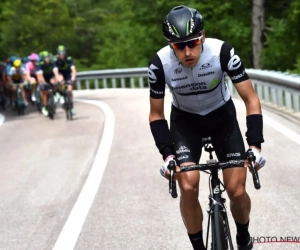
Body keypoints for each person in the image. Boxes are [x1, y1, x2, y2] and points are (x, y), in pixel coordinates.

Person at [148, 5, 266, 250]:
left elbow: (251, 100)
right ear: (171, 44)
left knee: (235, 190)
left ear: (202, 36)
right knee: (188, 186)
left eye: (192, 43)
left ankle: (243, 236)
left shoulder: (222, 52)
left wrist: (254, 145)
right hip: (185, 122)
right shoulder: (159, 64)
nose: (187, 52)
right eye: (179, 46)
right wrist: (168, 155)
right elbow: (156, 114)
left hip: (222, 118)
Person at [53, 45, 77, 115]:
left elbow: (74, 70)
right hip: (60, 74)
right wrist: (59, 80)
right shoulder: (55, 60)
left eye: (63, 53)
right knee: (60, 80)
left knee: (70, 89)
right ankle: (61, 94)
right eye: (60, 54)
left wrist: (72, 79)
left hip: (67, 74)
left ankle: (71, 106)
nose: (62, 55)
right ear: (58, 54)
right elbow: (55, 72)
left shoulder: (69, 59)